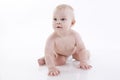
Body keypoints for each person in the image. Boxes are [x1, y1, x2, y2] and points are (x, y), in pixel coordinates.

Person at [38, 4, 92, 76]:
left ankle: (86, 54)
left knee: (83, 55)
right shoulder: (52, 38)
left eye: (63, 19)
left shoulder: (75, 35)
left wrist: (83, 61)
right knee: (60, 62)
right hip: (59, 54)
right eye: (55, 19)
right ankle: (45, 59)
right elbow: (48, 53)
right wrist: (51, 68)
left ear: (72, 23)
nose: (58, 22)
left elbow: (81, 48)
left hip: (73, 51)